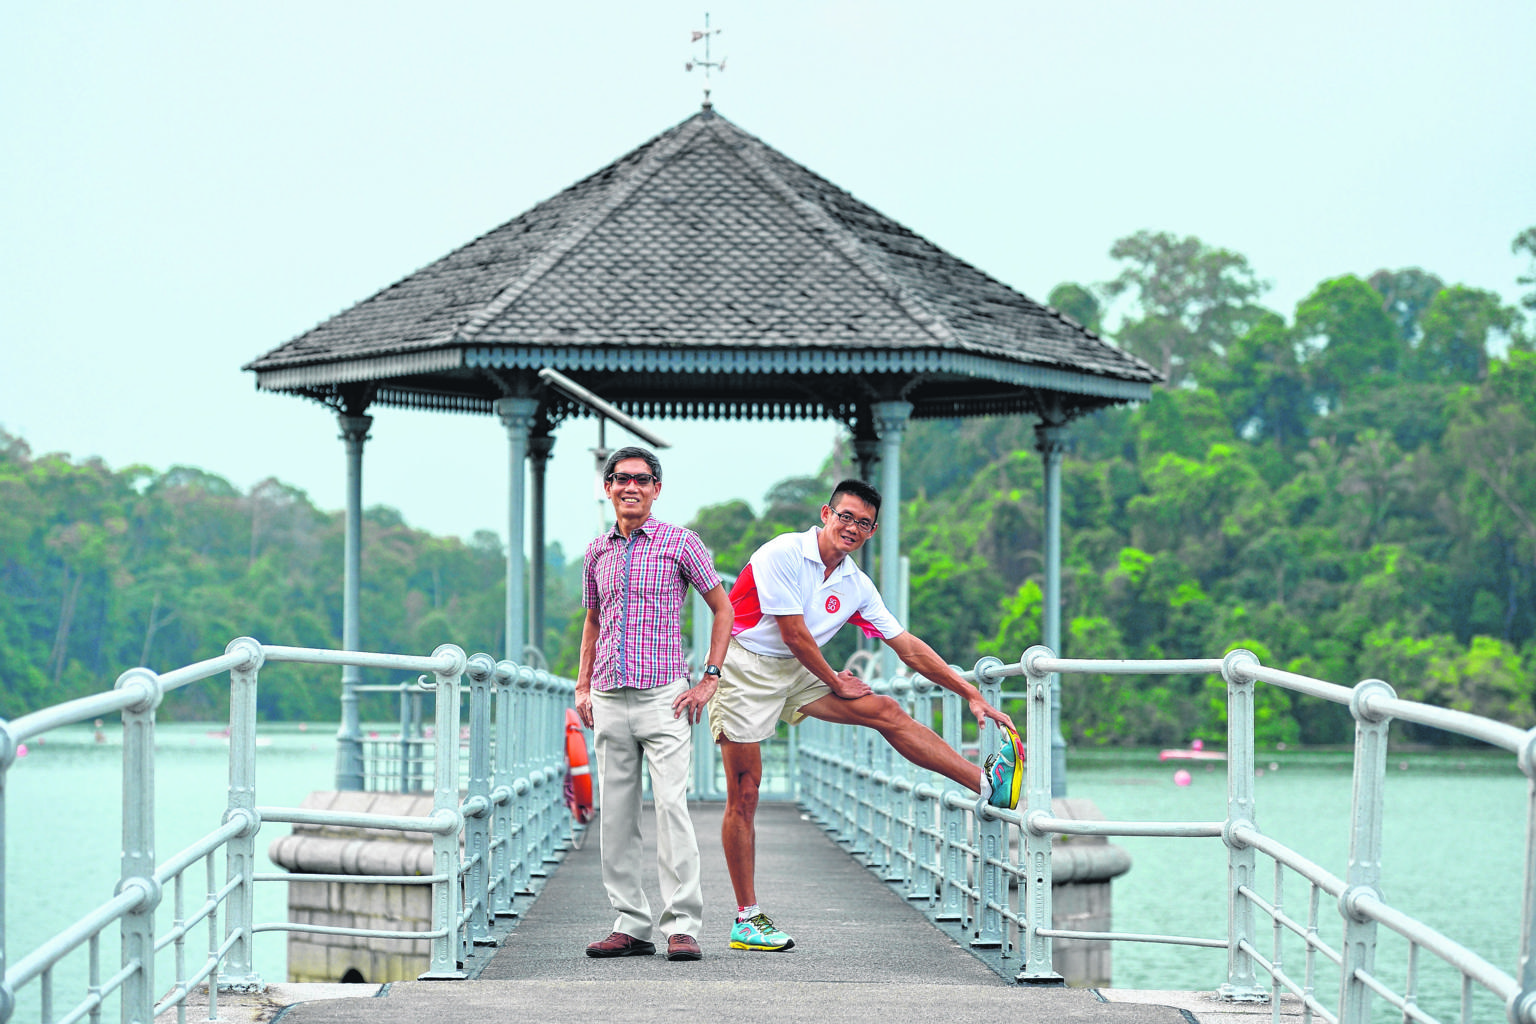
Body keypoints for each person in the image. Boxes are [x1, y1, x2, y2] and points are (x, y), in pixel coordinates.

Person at [707, 478, 1023, 952]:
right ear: (826, 514)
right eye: (846, 516)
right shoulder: (781, 554)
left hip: (799, 670)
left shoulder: (856, 585)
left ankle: (985, 785)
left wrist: (970, 693)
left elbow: (909, 649)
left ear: (872, 532)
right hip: (745, 666)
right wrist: (835, 680)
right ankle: (746, 919)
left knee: (886, 710)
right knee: (746, 791)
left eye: (864, 523)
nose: (852, 527)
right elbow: (793, 634)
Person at [575, 446, 734, 962]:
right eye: (621, 479)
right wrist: (581, 686)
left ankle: (682, 924)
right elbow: (594, 622)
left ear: (656, 489)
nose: (631, 488)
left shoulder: (679, 543)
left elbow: (722, 608)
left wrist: (710, 677)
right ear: (608, 488)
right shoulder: (597, 552)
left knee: (671, 809)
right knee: (617, 816)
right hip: (607, 694)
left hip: (665, 698)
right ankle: (631, 922)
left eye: (642, 480)